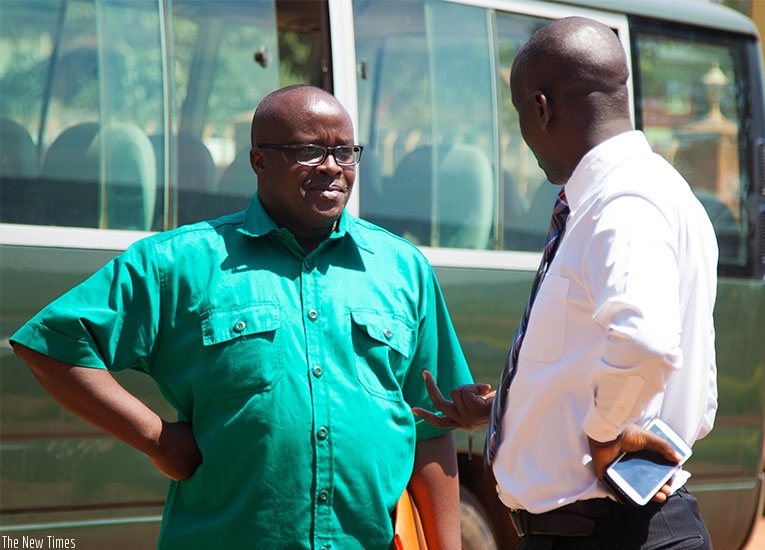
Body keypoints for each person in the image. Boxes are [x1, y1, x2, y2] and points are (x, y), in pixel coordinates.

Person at [11, 85, 473, 550]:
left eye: (344, 152)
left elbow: (430, 426)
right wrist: (156, 438)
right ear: (259, 162)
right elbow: (52, 342)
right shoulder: (181, 262)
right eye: (309, 151)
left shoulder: (403, 267)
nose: (332, 166)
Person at [413, 17, 718, 550]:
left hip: (608, 533)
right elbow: (655, 375)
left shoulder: (624, 202)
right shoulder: (657, 192)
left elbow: (644, 342)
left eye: (521, 118)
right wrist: (509, 407)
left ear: (541, 108)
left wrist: (604, 434)